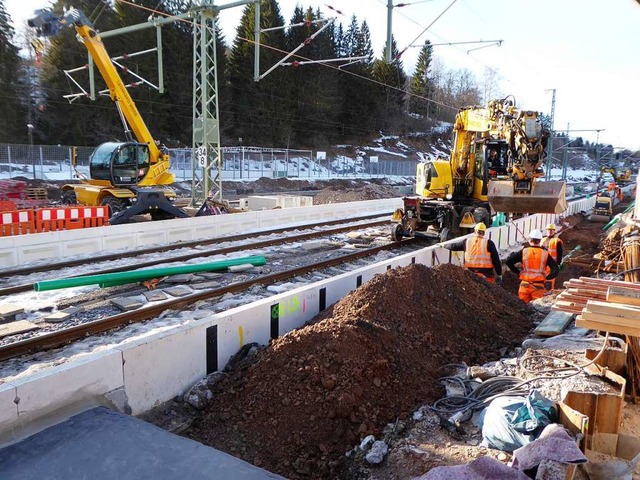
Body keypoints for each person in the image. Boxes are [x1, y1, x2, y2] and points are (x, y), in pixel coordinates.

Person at [506, 229, 560, 304]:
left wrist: (518, 273)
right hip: (538, 286)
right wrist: (547, 278)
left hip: (525, 285)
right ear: (540, 241)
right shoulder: (545, 254)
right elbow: (556, 269)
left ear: (530, 240)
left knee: (522, 307)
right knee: (536, 309)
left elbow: (509, 262)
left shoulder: (524, 252)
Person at [542, 224, 563, 291]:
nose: (549, 231)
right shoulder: (542, 240)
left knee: (549, 279)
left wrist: (558, 264)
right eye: (548, 230)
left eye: (551, 230)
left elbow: (559, 253)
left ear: (554, 231)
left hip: (552, 265)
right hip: (542, 264)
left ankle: (549, 291)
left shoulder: (557, 241)